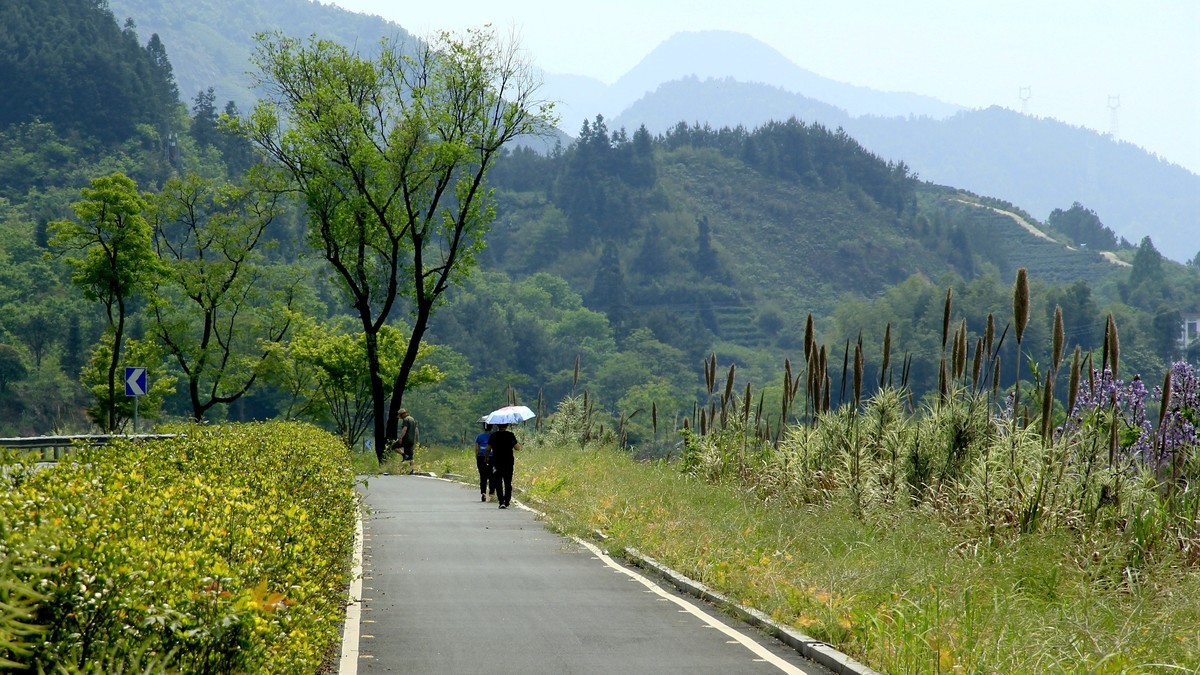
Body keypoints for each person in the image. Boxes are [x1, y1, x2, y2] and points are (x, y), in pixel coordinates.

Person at [487, 423, 520, 509]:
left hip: (497, 462)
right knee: (508, 482)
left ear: (497, 426)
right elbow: (517, 448)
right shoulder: (510, 435)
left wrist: (486, 458)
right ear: (507, 426)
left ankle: (501, 501)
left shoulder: (493, 435)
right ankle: (507, 501)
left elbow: (488, 448)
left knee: (498, 482)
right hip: (508, 462)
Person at [474, 424, 493, 502]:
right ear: (491, 428)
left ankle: (483, 493)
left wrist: (477, 458)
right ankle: (491, 493)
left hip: (481, 457)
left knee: (483, 476)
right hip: (492, 457)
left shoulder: (479, 437)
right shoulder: (493, 436)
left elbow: (476, 449)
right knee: (492, 475)